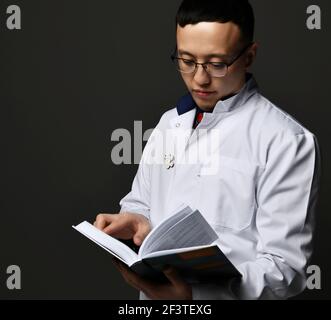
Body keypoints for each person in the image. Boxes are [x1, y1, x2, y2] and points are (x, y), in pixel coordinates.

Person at [94, 0, 321, 300]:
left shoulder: (287, 141)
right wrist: (136, 220)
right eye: (187, 61)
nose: (200, 79)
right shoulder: (168, 123)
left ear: (250, 56)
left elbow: (284, 269)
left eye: (216, 64)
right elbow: (142, 201)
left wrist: (193, 297)